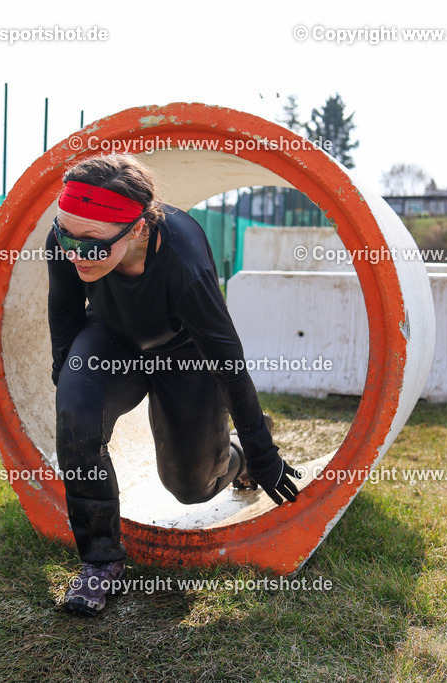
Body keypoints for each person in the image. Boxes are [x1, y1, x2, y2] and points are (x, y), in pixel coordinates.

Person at [46, 154, 300, 617]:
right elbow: (64, 311)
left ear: (138, 229)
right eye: (65, 233)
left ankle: (235, 451)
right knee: (76, 415)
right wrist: (67, 379)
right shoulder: (71, 237)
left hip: (185, 353)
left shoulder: (184, 262)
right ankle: (101, 561)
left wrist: (263, 456)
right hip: (111, 338)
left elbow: (228, 362)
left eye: (93, 244)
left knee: (190, 487)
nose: (75, 253)